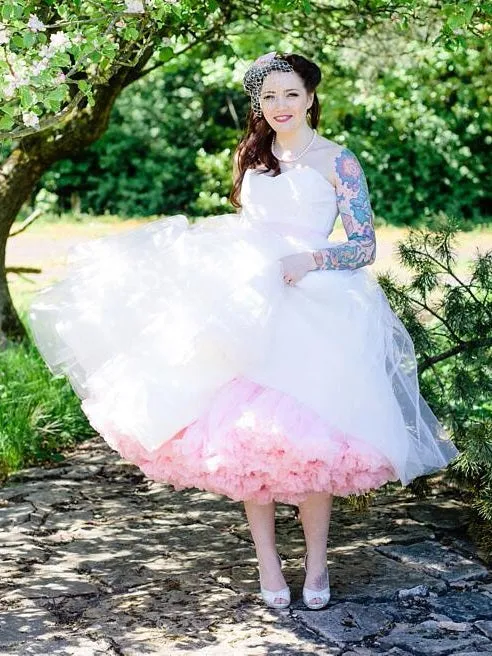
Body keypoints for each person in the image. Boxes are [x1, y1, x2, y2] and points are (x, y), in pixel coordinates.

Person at [28, 51, 459, 612]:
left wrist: (310, 261)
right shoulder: (252, 157)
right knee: (244, 440)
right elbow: (249, 226)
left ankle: (318, 565)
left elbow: (364, 245)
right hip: (249, 301)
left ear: (310, 98)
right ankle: (268, 565)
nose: (279, 106)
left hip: (317, 304)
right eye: (269, 96)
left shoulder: (339, 162)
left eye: (290, 94)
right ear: (259, 102)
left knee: (313, 442)